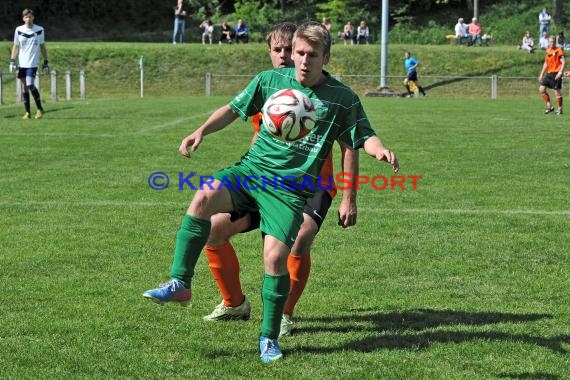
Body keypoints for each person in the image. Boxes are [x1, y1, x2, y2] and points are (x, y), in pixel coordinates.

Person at [142, 21, 399, 364]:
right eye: (299, 53)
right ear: (292, 52)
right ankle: (180, 283)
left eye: (312, 55)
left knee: (275, 259)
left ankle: (269, 338)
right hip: (252, 172)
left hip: (290, 189)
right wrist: (201, 130)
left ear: (327, 56)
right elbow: (233, 110)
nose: (304, 61)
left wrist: (379, 149)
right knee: (203, 198)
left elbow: (362, 136)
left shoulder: (341, 99)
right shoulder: (269, 80)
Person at [201, 22, 359, 339]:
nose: (286, 56)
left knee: (298, 237)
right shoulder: (267, 87)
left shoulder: (325, 94)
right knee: (213, 228)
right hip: (265, 181)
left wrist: (348, 198)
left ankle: (284, 314)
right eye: (279, 50)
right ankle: (234, 304)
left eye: (293, 50)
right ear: (270, 53)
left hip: (311, 184)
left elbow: (349, 144)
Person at [9, 8, 48, 120]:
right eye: (26, 17)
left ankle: (40, 109)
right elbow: (16, 46)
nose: (28, 19)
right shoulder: (18, 30)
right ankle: (27, 112)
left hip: (33, 63)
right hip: (22, 63)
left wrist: (45, 61)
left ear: (33, 18)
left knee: (30, 84)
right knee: (24, 87)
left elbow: (42, 46)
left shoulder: (39, 30)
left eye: (30, 16)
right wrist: (12, 60)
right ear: (23, 18)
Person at [538, 36, 565, 115]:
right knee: (541, 89)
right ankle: (549, 106)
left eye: (553, 41)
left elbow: (563, 62)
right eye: (550, 41)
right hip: (549, 74)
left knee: (557, 92)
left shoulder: (558, 50)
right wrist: (541, 74)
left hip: (556, 73)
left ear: (555, 42)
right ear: (548, 42)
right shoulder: (548, 51)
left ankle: (560, 109)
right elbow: (546, 63)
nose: (552, 43)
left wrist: (560, 72)